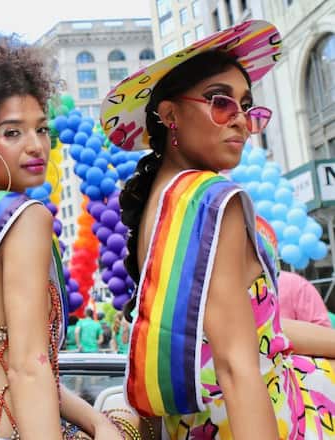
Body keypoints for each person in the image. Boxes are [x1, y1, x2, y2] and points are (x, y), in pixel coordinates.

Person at [101, 19, 335, 439]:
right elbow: (235, 365)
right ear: (170, 114)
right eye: (220, 102)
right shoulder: (212, 200)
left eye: (247, 106)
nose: (241, 120)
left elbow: (259, 329)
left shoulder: (164, 201)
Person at [0, 33, 130, 440]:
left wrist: (96, 421)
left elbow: (11, 361)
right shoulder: (25, 218)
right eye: (13, 133)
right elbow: (28, 366)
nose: (36, 146)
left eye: (41, 129)